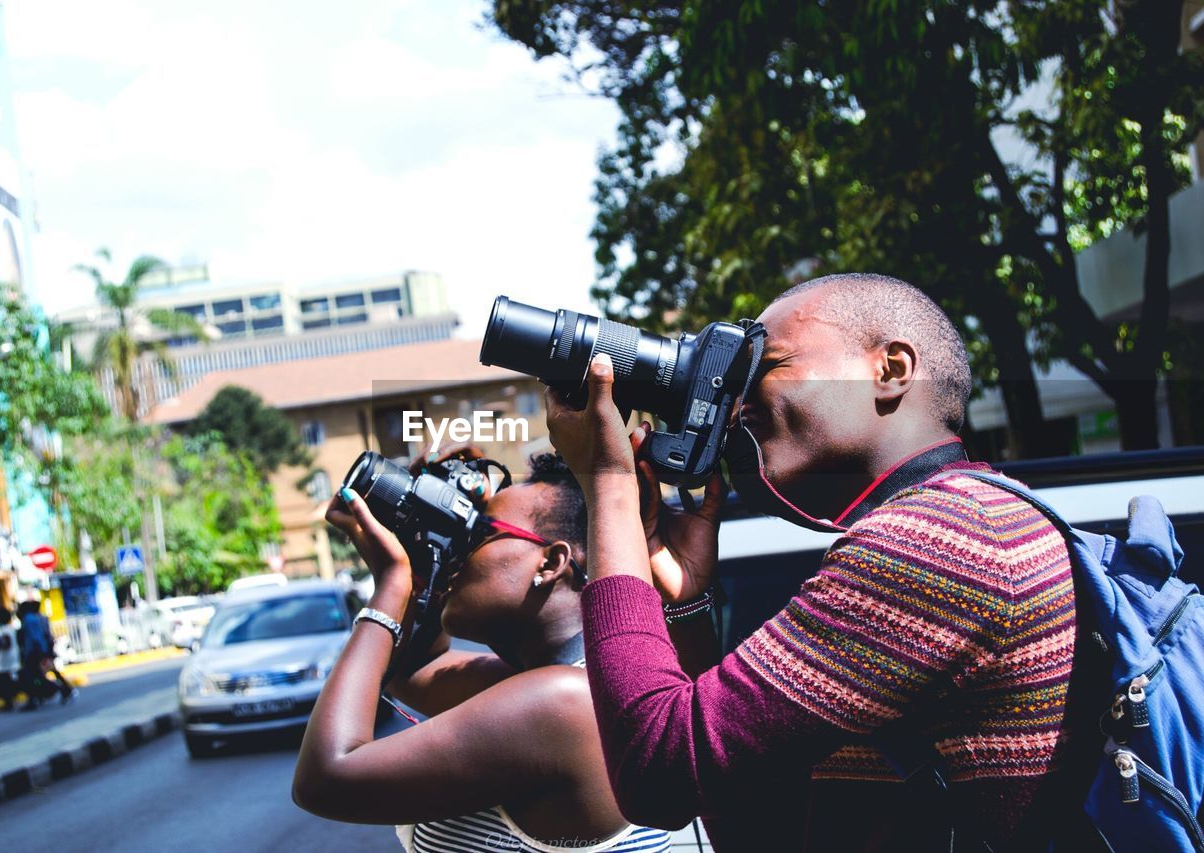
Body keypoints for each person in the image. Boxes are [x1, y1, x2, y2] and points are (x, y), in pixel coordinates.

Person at [545, 273, 1083, 851]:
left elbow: (658, 776)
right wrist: (689, 606)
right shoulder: (973, 518)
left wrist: (607, 482)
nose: (737, 404)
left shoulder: (941, 540)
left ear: (891, 369)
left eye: (766, 367)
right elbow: (747, 823)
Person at [292, 452, 672, 853]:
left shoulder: (565, 702)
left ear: (550, 563)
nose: (461, 552)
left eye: (479, 535)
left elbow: (325, 778)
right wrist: (424, 560)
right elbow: (413, 672)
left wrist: (391, 583)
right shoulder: (568, 684)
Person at [17, 600, 75, 708]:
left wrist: (39, 652)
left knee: (35, 676)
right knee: (37, 676)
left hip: (34, 652)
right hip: (39, 651)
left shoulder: (29, 620)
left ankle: (60, 690)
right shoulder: (36, 618)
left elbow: (36, 638)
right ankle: (39, 697)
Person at [0, 606, 21, 711]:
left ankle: (9, 702)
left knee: (7, 682)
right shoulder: (9, 629)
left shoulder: (4, 631)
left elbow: (6, 644)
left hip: (7, 660)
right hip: (10, 659)